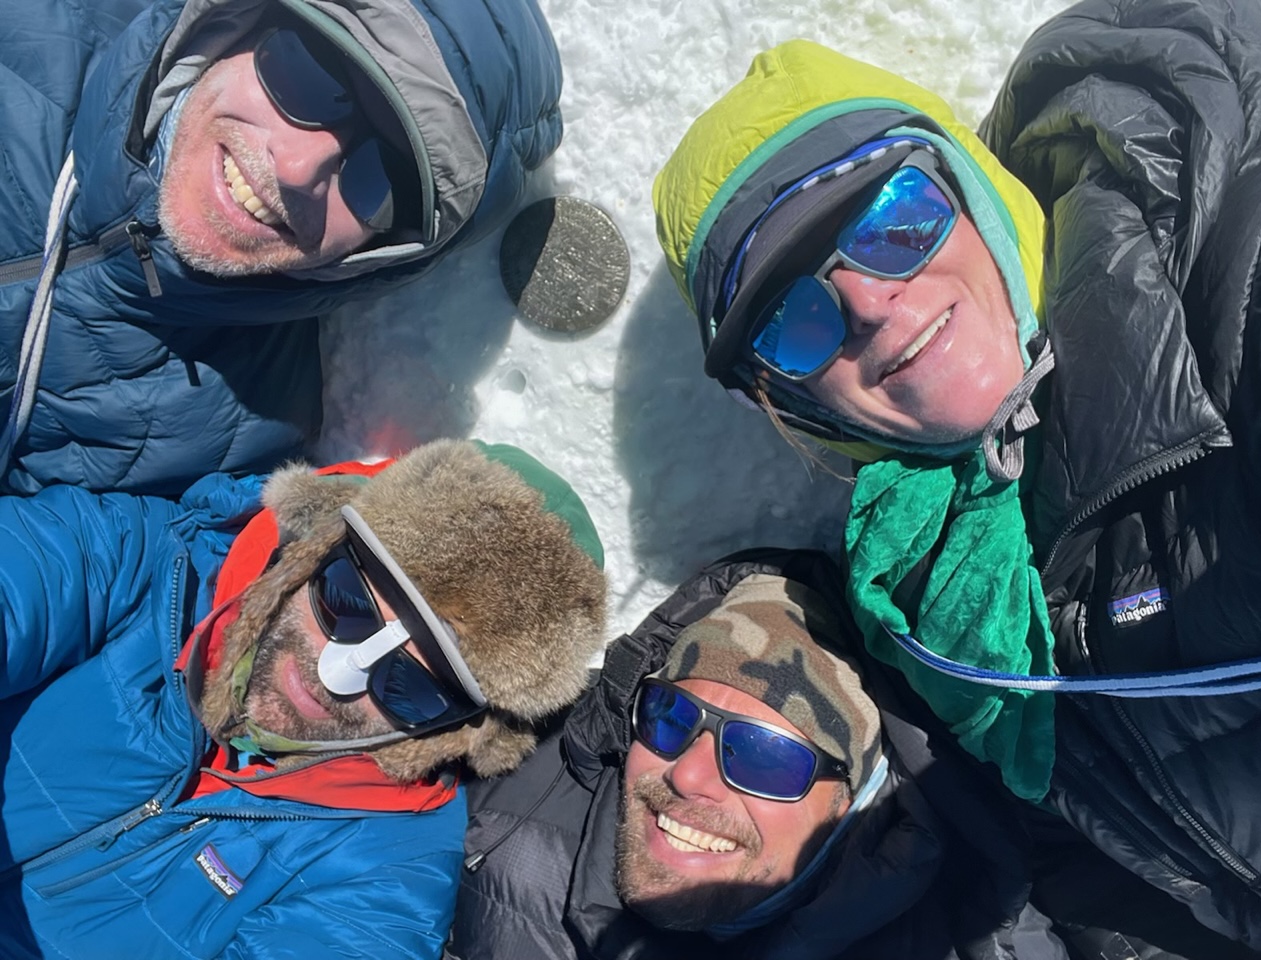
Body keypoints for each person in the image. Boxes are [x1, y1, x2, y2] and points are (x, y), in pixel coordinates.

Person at [652, 9, 1261, 956]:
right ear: (791, 403)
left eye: (893, 220)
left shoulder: (1234, 280)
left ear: (972, 186)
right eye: (795, 319)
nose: (866, 302)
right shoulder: (931, 605)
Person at [0, 437, 607, 959]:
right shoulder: (150, 569)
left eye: (413, 686)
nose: (338, 671)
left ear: (461, 729)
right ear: (313, 549)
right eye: (345, 603)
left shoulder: (386, 874)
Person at [0, 0, 563, 495]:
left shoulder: (233, 443)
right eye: (308, 74)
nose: (297, 169)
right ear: (231, 21)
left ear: (389, 251)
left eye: (384, 178)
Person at [446, 549, 1070, 960]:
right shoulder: (509, 788)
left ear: (855, 804)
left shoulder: (965, 939)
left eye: (763, 757)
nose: (688, 774)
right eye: (671, 718)